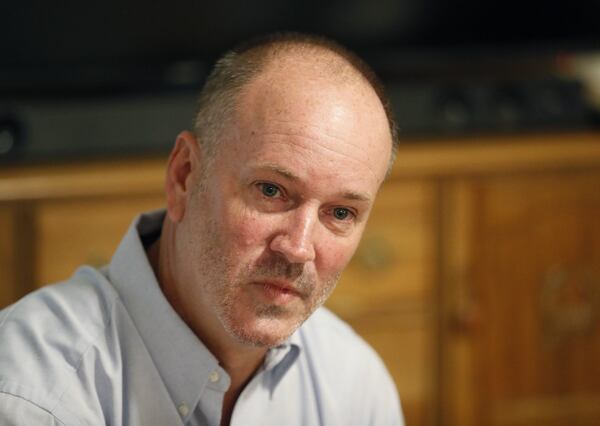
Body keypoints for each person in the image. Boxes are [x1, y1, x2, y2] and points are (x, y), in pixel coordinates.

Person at [0, 33, 403, 425]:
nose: (298, 248)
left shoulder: (355, 386)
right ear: (184, 175)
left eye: (341, 213)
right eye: (271, 190)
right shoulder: (34, 396)